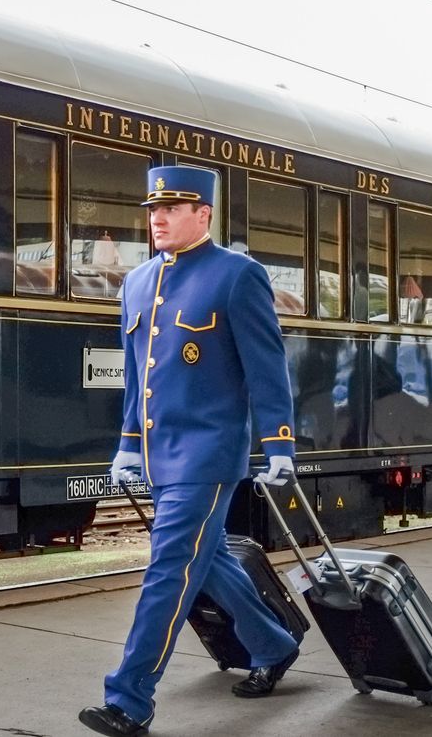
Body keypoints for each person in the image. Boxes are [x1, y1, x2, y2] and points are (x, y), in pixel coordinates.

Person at [79, 166, 299, 737]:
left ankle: (129, 699)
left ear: (204, 214)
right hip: (158, 453)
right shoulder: (137, 282)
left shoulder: (236, 275)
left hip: (208, 453)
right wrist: (128, 444)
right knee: (206, 559)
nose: (157, 218)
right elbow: (135, 375)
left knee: (169, 568)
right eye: (153, 209)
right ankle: (272, 643)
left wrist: (278, 440)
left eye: (172, 209)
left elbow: (266, 365)